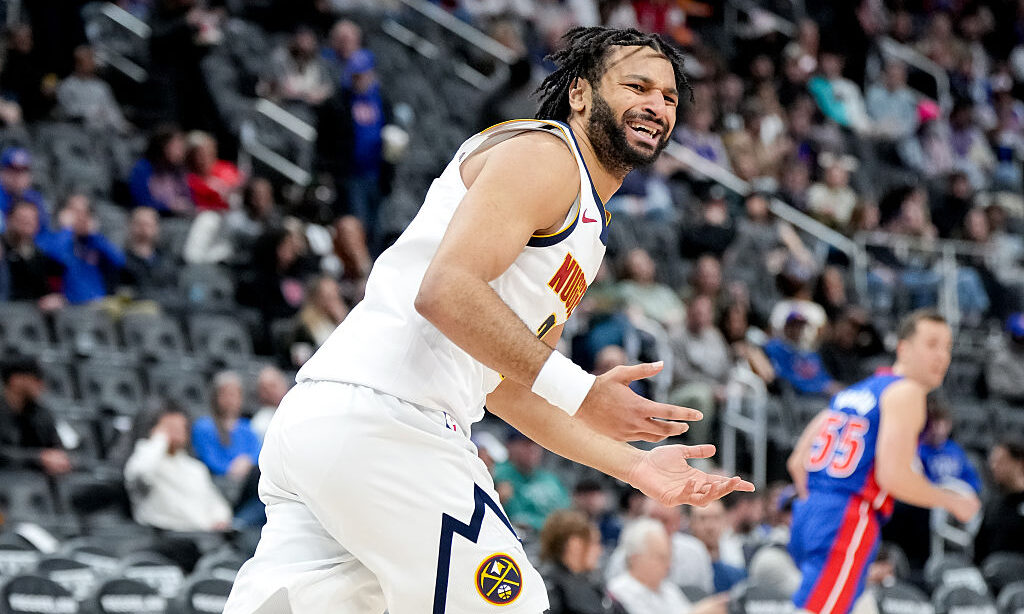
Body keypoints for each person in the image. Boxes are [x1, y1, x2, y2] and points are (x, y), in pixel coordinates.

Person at [223, 26, 752, 614]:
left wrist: (637, 468)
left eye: (671, 97)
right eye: (638, 86)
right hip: (391, 421)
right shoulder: (546, 156)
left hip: (335, 429)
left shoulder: (588, 230)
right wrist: (581, 390)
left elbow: (507, 387)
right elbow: (445, 291)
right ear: (580, 94)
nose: (657, 104)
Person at [786, 309, 980, 614]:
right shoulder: (907, 391)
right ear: (903, 348)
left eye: (947, 347)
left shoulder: (853, 392)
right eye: (931, 344)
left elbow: (798, 462)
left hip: (808, 513)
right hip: (849, 517)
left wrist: (820, 504)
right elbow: (893, 477)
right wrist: (951, 501)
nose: (942, 356)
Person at [124, 402, 233, 531]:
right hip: (167, 536)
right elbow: (139, 474)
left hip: (206, 534)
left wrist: (220, 518)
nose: (177, 432)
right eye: (170, 427)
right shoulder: (145, 458)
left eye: (181, 427)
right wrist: (159, 439)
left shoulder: (195, 468)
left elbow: (216, 502)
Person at [538, 509, 625, 614]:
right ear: (575, 544)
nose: (600, 550)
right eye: (595, 542)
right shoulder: (548, 586)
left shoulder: (593, 582)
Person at [0, 356, 72, 476]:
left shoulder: (41, 414)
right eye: (36, 378)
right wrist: (38, 459)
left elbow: (57, 447)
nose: (41, 384)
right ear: (15, 380)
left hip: (38, 486)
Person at [974, 438, 1024, 562]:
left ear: (1019, 463)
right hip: (990, 574)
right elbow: (979, 549)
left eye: (1000, 462)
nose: (993, 467)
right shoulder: (993, 505)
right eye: (992, 462)